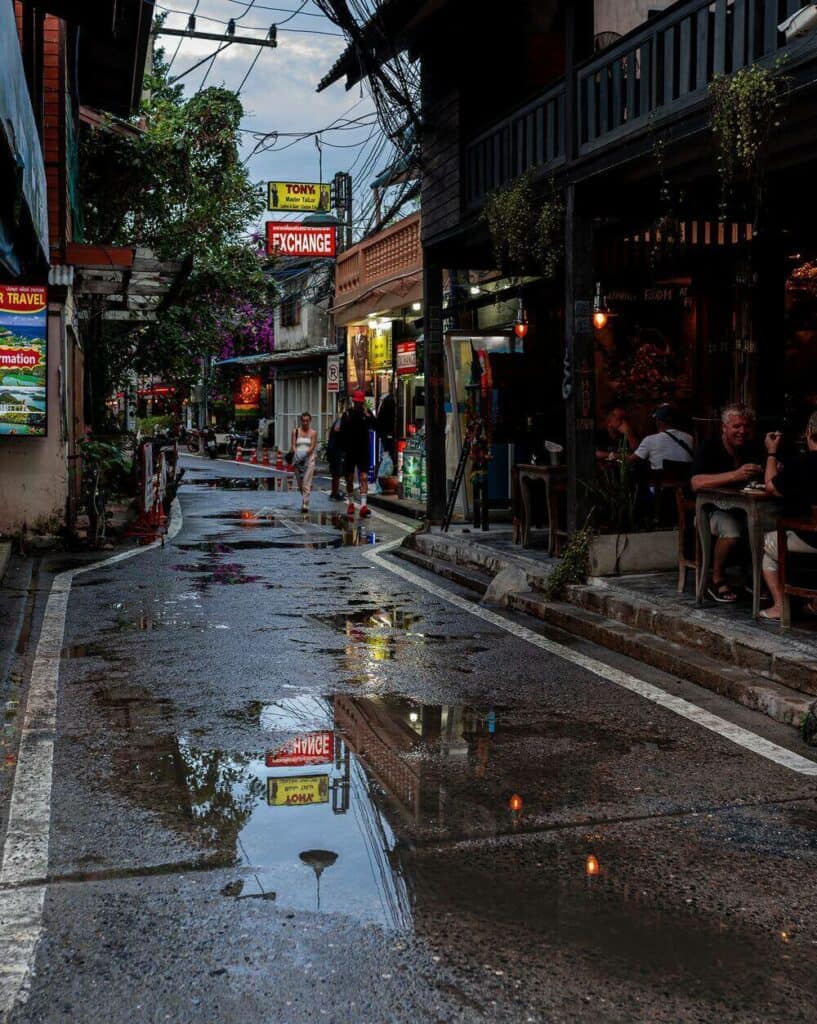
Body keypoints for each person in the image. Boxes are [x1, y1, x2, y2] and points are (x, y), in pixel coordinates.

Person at [690, 404, 764, 603]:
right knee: (731, 531)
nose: (742, 431)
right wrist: (735, 475)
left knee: (767, 528)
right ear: (724, 427)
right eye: (736, 426)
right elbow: (696, 483)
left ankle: (752, 578)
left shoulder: (752, 446)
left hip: (744, 507)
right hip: (711, 509)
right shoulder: (709, 446)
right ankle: (716, 578)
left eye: (746, 426)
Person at [761, 413, 817, 620]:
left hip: (811, 539)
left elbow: (770, 487)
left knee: (766, 542)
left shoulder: (803, 463)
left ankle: (779, 606)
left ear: (809, 432)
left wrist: (772, 452)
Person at [341, 389, 376, 517]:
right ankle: (350, 502)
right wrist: (343, 450)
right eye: (357, 403)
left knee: (364, 477)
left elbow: (375, 426)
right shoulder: (347, 414)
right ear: (353, 402)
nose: (358, 405)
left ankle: (363, 505)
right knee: (349, 479)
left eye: (361, 403)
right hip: (350, 451)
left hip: (363, 450)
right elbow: (341, 432)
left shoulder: (366, 414)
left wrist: (369, 415)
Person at [630, 404, 694, 470]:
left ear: (658, 422)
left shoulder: (650, 440)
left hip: (660, 479)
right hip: (686, 479)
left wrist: (619, 456)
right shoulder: (689, 438)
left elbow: (631, 459)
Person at [291, 412, 317, 513]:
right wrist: (296, 453)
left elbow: (313, 446)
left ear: (310, 421)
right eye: (303, 421)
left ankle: (305, 503)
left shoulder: (313, 433)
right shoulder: (295, 431)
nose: (305, 423)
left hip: (309, 459)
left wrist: (306, 454)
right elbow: (293, 444)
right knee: (300, 484)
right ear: (301, 421)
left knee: (306, 482)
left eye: (307, 421)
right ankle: (304, 497)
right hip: (298, 459)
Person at [326, 403, 346, 501]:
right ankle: (335, 493)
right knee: (337, 473)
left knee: (335, 473)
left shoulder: (338, 421)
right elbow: (337, 430)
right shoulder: (340, 421)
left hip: (333, 449)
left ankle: (334, 492)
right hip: (336, 450)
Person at [376, 390, 396, 459]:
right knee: (386, 448)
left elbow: (384, 417)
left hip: (386, 430)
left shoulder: (388, 401)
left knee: (386, 447)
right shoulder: (387, 401)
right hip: (386, 430)